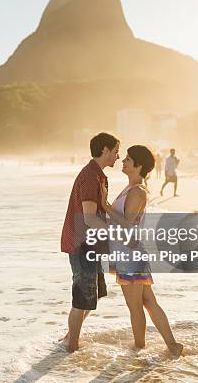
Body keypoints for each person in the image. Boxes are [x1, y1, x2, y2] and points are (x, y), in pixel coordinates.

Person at [101, 145, 183, 357]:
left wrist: (106, 206)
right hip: (128, 254)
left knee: (135, 306)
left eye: (128, 159)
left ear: (138, 166)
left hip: (131, 255)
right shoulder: (130, 188)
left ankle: (138, 349)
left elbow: (127, 224)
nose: (123, 161)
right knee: (147, 302)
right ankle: (172, 346)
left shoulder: (138, 192)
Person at [59, 132, 120, 353]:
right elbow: (89, 217)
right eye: (115, 151)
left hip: (92, 245)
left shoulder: (99, 176)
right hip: (82, 245)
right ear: (104, 150)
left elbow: (99, 210)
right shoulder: (89, 176)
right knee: (82, 297)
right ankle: (71, 347)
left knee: (92, 295)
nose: (118, 157)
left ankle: (69, 337)